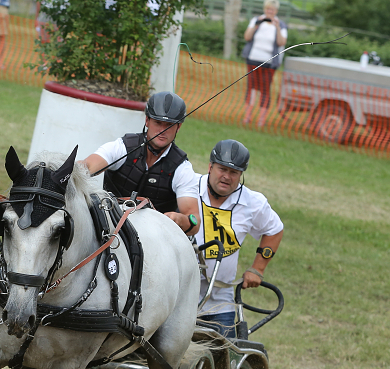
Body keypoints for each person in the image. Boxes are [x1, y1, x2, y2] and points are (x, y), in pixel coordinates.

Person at [196, 139, 284, 338]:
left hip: (221, 302)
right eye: (222, 169)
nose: (227, 176)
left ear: (241, 175)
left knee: (223, 362)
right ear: (210, 167)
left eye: (234, 172)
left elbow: (275, 229)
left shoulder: (252, 203)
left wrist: (257, 269)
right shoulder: (187, 188)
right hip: (179, 296)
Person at [82, 91, 201, 236]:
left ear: (178, 127)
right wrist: (71, 169)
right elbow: (87, 166)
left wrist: (180, 220)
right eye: (158, 122)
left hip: (155, 238)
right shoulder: (122, 147)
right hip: (109, 227)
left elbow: (194, 221)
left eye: (169, 125)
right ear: (147, 120)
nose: (162, 130)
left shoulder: (182, 168)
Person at [241, 0, 288, 127]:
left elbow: (281, 42)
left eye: (272, 10)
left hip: (269, 63)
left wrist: (277, 27)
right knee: (251, 88)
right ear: (264, 9)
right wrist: (256, 25)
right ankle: (247, 117)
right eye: (268, 9)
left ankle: (261, 119)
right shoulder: (257, 20)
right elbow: (247, 37)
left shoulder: (281, 25)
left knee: (265, 90)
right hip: (252, 59)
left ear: (276, 11)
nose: (269, 12)